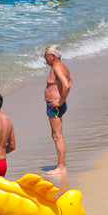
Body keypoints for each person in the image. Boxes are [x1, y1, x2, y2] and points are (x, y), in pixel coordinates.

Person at [44, 45, 72, 176]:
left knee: (57, 136)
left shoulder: (57, 68)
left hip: (55, 106)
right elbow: (70, 81)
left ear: (53, 57)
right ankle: (60, 165)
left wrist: (60, 101)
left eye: (46, 56)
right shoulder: (62, 66)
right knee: (56, 135)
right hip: (56, 105)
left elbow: (66, 84)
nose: (45, 58)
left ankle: (61, 166)